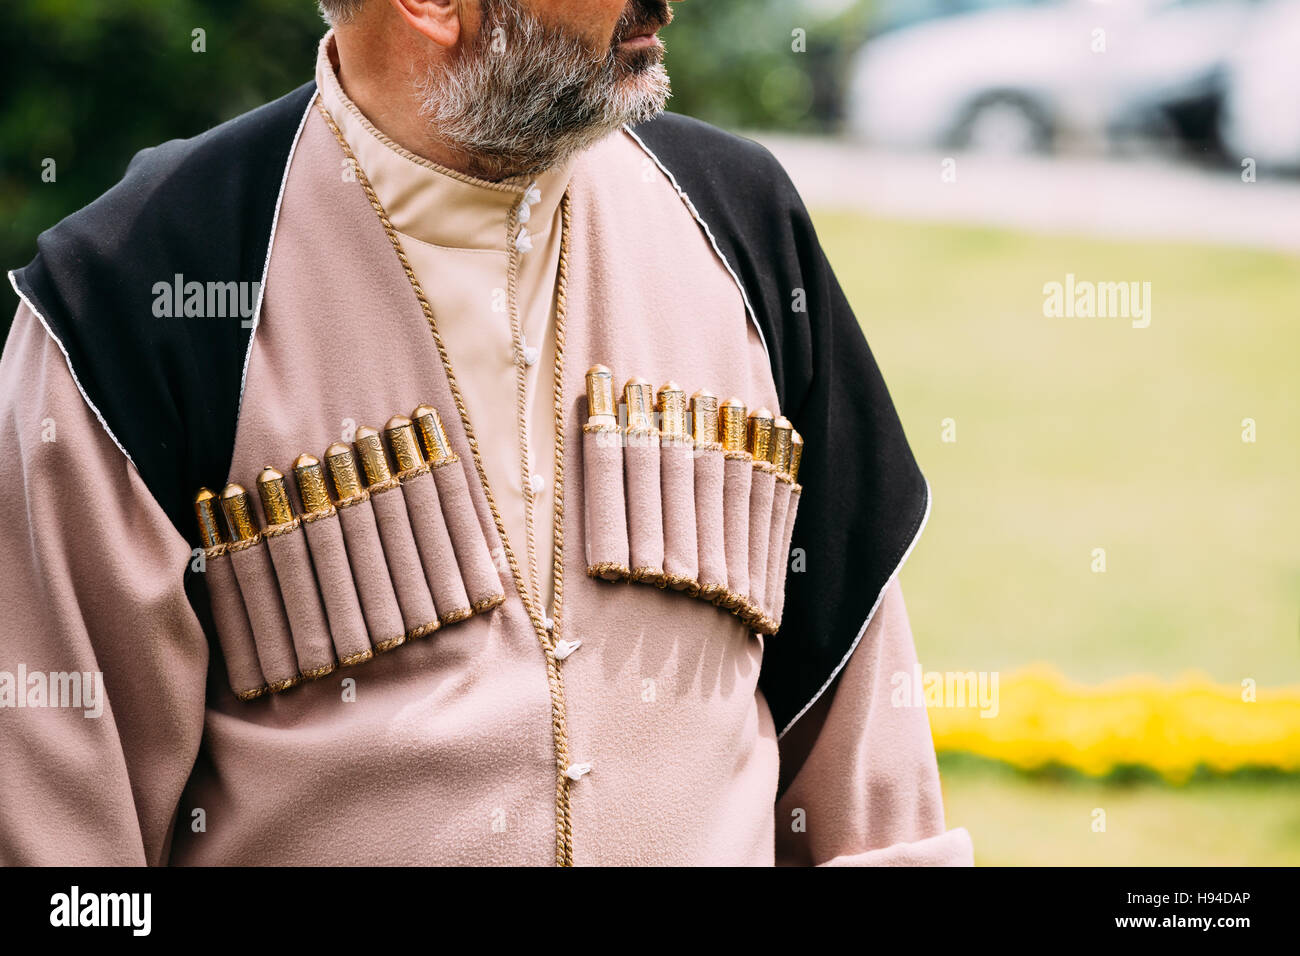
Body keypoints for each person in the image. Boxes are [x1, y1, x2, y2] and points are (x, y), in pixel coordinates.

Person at [0, 0, 972, 866]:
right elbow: (60, 834)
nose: (665, 3)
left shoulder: (743, 223)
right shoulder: (135, 290)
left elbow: (864, 765)